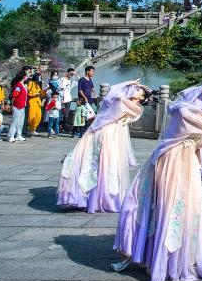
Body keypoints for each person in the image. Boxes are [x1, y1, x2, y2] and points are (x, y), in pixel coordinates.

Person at [113, 73, 202, 281]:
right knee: (151, 202)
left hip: (179, 164)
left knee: (171, 206)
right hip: (172, 158)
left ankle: (167, 260)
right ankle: (152, 254)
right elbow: (183, 100)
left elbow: (181, 110)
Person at [58, 80, 144, 213]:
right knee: (96, 163)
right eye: (139, 92)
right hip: (107, 133)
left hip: (114, 134)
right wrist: (128, 83)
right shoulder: (119, 101)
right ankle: (92, 197)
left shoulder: (135, 107)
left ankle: (101, 197)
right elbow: (113, 90)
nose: (141, 95)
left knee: (106, 164)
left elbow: (115, 93)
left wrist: (125, 91)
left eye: (142, 94)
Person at [7, 71, 28, 143]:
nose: (27, 77)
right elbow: (14, 96)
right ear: (24, 77)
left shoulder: (23, 85)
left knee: (20, 121)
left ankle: (19, 134)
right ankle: (11, 136)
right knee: (15, 121)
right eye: (26, 76)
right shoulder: (18, 86)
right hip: (17, 105)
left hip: (22, 105)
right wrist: (11, 105)